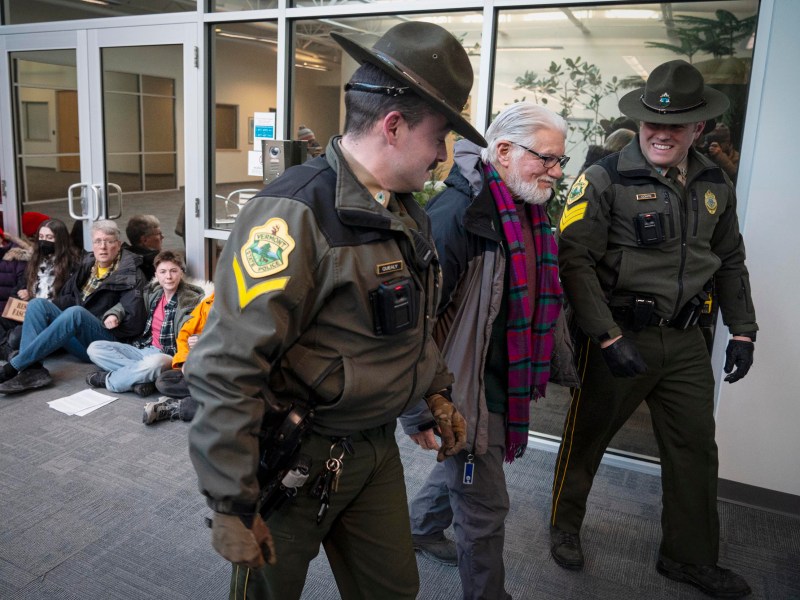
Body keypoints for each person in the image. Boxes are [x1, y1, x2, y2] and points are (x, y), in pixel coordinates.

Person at [186, 21, 480, 600]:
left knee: (394, 591)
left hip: (373, 451)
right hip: (297, 455)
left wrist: (434, 392)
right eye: (439, 137)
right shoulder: (292, 214)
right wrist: (230, 499)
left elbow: (408, 324)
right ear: (393, 126)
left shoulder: (403, 210)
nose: (444, 157)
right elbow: (226, 365)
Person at [550, 60, 757, 599]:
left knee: (694, 447)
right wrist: (606, 337)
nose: (662, 134)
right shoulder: (604, 179)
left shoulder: (716, 183)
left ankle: (687, 558)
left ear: (698, 129)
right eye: (651, 124)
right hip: (621, 333)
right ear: (641, 124)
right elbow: (574, 263)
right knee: (587, 437)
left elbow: (730, 258)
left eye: (676, 125)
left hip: (687, 340)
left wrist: (743, 330)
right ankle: (564, 528)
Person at [399, 102, 568, 599]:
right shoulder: (457, 216)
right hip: (463, 391)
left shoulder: (526, 205)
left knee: (466, 472)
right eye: (547, 158)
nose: (556, 172)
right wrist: (419, 408)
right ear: (504, 151)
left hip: (501, 379)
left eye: (562, 160)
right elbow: (413, 326)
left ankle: (421, 527)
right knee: (485, 508)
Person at [0, 220, 147, 394]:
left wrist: (112, 316)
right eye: (98, 241)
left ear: (119, 244)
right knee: (37, 305)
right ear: (92, 244)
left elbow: (134, 323)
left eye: (109, 241)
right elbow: (68, 297)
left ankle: (14, 366)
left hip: (106, 340)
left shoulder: (132, 274)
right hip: (78, 333)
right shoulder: (89, 264)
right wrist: (49, 312)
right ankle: (32, 371)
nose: (103, 247)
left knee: (75, 313)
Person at [85, 250, 204, 397]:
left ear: (181, 273)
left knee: (156, 363)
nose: (168, 276)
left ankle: (110, 380)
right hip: (143, 348)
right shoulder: (152, 292)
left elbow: (206, 325)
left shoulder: (193, 300)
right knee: (95, 349)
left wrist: (199, 337)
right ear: (156, 274)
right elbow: (131, 304)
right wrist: (115, 314)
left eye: (173, 271)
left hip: (169, 356)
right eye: (163, 271)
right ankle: (142, 378)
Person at [0, 218, 79, 358]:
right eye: (41, 237)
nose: (44, 241)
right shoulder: (35, 261)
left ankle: (8, 350)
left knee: (16, 338)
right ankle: (9, 352)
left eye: (49, 237)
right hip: (25, 311)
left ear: (60, 240)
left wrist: (37, 299)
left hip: (50, 318)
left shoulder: (72, 265)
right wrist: (24, 293)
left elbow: (71, 300)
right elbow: (16, 291)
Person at [143, 291, 215, 425]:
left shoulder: (249, 304)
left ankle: (177, 407)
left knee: (242, 400)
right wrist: (186, 361)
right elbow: (185, 334)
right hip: (205, 368)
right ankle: (207, 395)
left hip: (233, 373)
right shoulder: (208, 302)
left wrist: (206, 340)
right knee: (165, 381)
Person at [124, 214, 163, 279]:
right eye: (159, 234)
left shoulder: (122, 258)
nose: (162, 237)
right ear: (144, 240)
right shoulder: (154, 264)